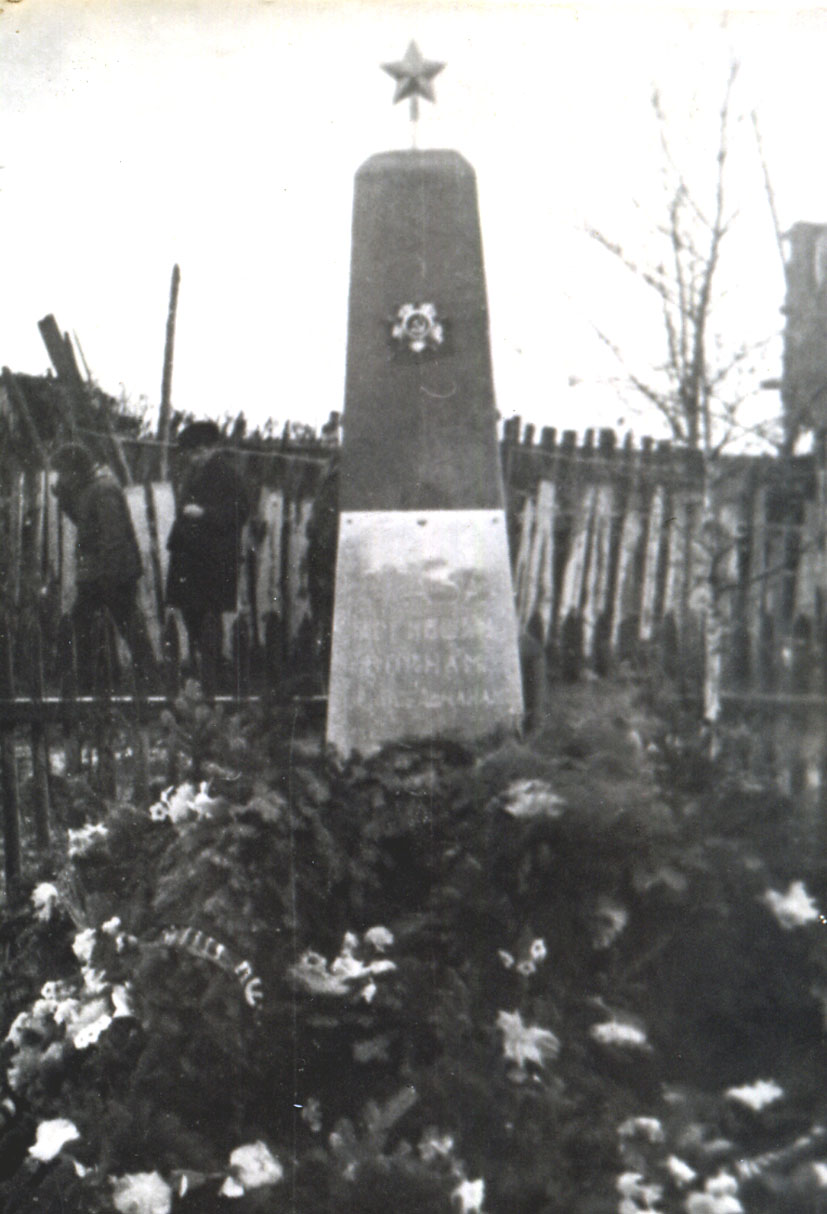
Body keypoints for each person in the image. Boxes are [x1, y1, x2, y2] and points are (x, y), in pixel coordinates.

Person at [52, 443, 152, 691]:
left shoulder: (103, 489)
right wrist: (65, 500)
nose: (61, 477)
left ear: (76, 470)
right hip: (99, 573)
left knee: (130, 629)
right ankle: (97, 686)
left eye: (63, 472)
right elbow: (87, 524)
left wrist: (107, 577)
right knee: (86, 627)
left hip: (113, 573)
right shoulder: (88, 489)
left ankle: (151, 687)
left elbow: (113, 537)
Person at [165, 421, 250, 672]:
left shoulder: (227, 474)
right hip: (190, 559)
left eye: (194, 452)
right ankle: (199, 664)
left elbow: (240, 511)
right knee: (192, 615)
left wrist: (204, 513)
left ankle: (212, 669)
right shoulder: (193, 473)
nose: (191, 458)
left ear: (206, 449)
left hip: (212, 561)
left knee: (209, 620)